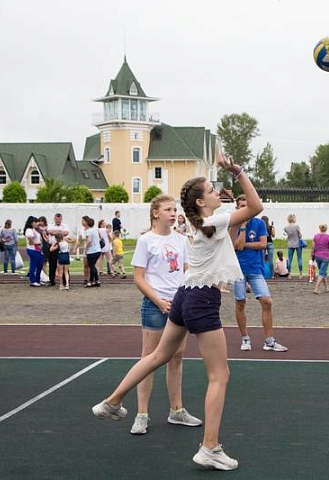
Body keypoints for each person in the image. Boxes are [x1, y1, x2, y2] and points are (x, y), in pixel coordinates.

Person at [92, 152, 262, 471]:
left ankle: (112, 402)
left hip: (185, 295)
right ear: (200, 203)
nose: (217, 192)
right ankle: (209, 447)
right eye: (211, 190)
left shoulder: (205, 224)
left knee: (157, 356)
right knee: (219, 375)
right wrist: (237, 170)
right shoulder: (213, 222)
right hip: (200, 300)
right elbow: (255, 207)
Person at [128, 194, 202, 436]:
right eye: (168, 209)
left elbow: (187, 270)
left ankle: (176, 410)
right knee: (148, 359)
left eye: (174, 209)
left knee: (177, 358)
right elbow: (139, 278)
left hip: (179, 305)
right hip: (155, 305)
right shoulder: (145, 241)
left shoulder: (181, 240)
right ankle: (141, 414)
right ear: (155, 213)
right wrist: (158, 301)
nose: (173, 213)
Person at [232, 195, 287, 353]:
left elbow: (263, 244)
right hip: (238, 270)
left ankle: (269, 341)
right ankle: (245, 339)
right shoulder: (233, 224)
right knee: (240, 303)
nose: (244, 209)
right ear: (237, 208)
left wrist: (244, 245)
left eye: (247, 206)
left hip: (256, 269)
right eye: (241, 206)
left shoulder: (259, 223)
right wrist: (242, 226)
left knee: (267, 302)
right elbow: (235, 245)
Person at [46, 213, 71, 286]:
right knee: (52, 264)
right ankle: (52, 281)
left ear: (61, 219)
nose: (58, 220)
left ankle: (66, 281)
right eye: (56, 219)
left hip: (62, 247)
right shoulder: (50, 225)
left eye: (59, 219)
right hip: (53, 245)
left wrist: (55, 232)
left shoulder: (65, 225)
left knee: (64, 264)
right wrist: (60, 232)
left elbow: (66, 233)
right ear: (54, 219)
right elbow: (50, 232)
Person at [312, 224, 329, 294]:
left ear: (319, 228)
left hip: (317, 256)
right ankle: (316, 288)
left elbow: (313, 247)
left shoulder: (315, 236)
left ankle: (326, 288)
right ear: (326, 228)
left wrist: (311, 256)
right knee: (322, 273)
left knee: (323, 272)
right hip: (325, 257)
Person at [24, 216, 43, 287]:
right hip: (33, 249)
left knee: (39, 265)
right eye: (35, 222)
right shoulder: (29, 230)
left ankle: (37, 279)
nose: (37, 223)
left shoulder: (34, 229)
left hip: (37, 249)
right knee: (34, 264)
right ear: (31, 223)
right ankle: (33, 280)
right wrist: (37, 243)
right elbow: (30, 241)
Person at [82, 216, 102, 288]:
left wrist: (85, 248)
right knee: (93, 266)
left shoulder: (88, 231)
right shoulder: (95, 230)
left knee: (91, 266)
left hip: (91, 251)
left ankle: (91, 281)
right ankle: (96, 280)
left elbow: (89, 240)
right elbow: (100, 238)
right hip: (98, 250)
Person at [283, 214, 303, 278]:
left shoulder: (286, 228)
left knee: (289, 259)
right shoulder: (297, 227)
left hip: (290, 244)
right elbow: (300, 236)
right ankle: (300, 274)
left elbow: (286, 235)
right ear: (294, 219)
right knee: (299, 259)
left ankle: (289, 274)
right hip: (298, 244)